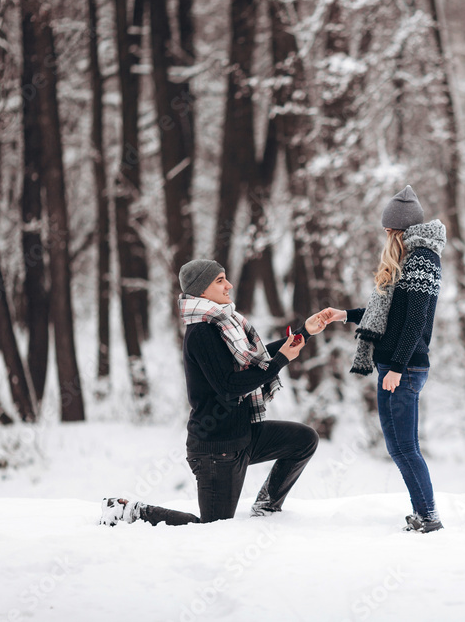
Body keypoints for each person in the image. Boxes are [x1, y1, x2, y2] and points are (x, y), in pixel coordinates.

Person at [101, 259, 326, 526]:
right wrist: (280, 362)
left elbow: (254, 358)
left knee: (304, 440)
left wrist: (304, 333)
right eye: (219, 280)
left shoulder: (224, 323)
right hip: (216, 450)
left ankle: (266, 510)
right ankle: (133, 511)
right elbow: (230, 386)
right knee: (212, 528)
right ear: (201, 291)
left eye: (225, 278)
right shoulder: (201, 332)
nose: (229, 285)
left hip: (243, 435)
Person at [324, 185, 447, 533]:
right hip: (397, 365)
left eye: (389, 231)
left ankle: (429, 517)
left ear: (399, 230)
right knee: (400, 447)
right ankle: (425, 514)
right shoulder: (411, 257)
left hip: (402, 367)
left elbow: (415, 321)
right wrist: (343, 314)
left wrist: (396, 367)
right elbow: (389, 315)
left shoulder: (422, 258)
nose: (386, 237)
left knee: (405, 448)